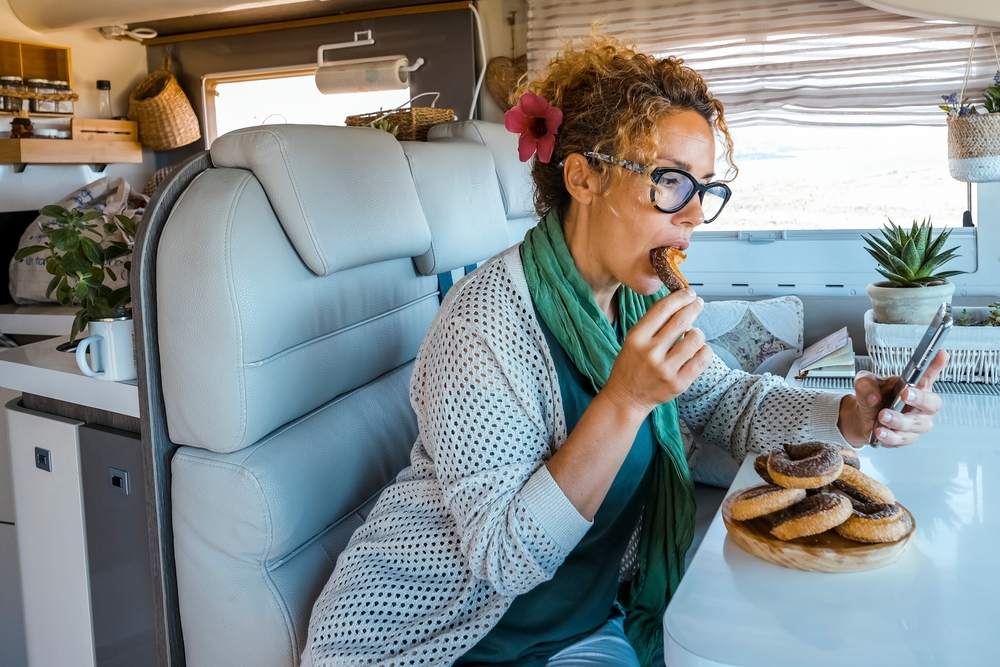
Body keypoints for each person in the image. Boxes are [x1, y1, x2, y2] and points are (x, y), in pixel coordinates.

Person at [301, 32, 947, 667]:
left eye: (706, 189)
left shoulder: (633, 301)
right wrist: (625, 400)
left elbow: (726, 400)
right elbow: (503, 555)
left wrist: (849, 416)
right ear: (582, 176)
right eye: (672, 182)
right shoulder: (481, 323)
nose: (694, 215)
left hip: (580, 626)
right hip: (433, 640)